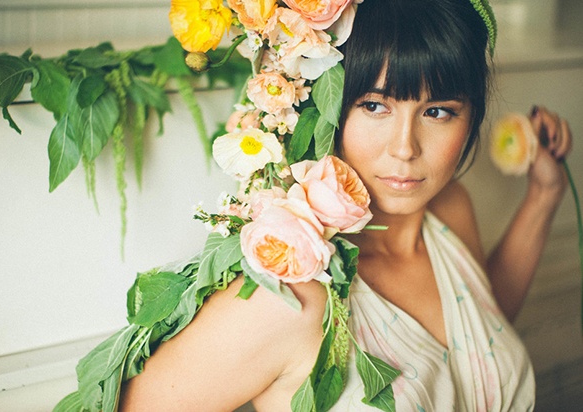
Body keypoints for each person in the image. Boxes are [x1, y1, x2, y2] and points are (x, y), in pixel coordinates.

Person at [119, 0, 573, 411]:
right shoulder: (290, 296)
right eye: (375, 105)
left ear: (471, 116)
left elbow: (483, 336)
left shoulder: (451, 210)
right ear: (327, 103)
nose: (405, 148)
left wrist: (544, 196)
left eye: (437, 111)